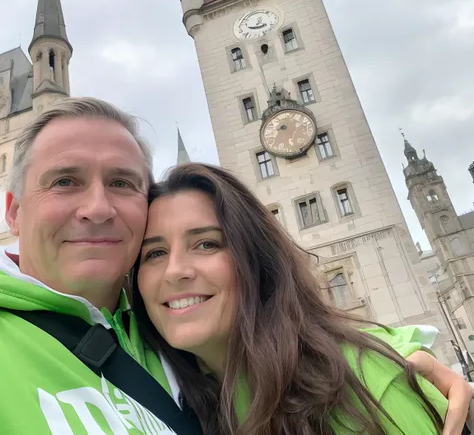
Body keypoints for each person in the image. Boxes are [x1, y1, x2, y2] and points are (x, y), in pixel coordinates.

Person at [134, 162, 474, 435]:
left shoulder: (365, 388)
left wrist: (386, 362)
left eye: (207, 243)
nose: (174, 271)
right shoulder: (174, 396)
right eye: (155, 253)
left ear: (257, 259)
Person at [0, 97, 202, 435]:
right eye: (64, 181)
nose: (97, 208)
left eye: (121, 183)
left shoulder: (194, 337)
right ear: (14, 213)